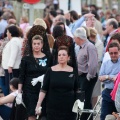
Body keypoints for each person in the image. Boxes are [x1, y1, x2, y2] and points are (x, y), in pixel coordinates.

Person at [35, 46, 79, 120]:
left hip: (69, 107)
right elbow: (44, 89)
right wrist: (38, 104)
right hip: (52, 106)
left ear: (68, 57)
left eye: (64, 55)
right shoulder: (50, 70)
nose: (61, 57)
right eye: (59, 55)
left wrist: (79, 103)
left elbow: (77, 89)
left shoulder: (73, 71)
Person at [18, 35, 51, 120]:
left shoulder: (48, 58)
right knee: (31, 114)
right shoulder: (26, 59)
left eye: (38, 44)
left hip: (44, 90)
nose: (36, 45)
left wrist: (44, 77)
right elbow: (21, 76)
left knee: (43, 115)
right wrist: (19, 92)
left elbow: (51, 72)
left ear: (42, 45)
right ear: (31, 45)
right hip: (29, 90)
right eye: (34, 44)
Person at [74, 27, 98, 120]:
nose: (74, 39)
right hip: (82, 77)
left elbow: (93, 64)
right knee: (84, 100)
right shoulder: (81, 47)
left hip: (87, 77)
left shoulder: (89, 47)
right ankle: (88, 118)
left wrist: (88, 78)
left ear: (79, 38)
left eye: (75, 37)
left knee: (85, 100)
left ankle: (86, 118)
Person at [99, 42, 120, 120]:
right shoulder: (105, 63)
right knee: (104, 116)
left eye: (115, 53)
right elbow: (101, 77)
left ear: (119, 52)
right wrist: (112, 77)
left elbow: (118, 78)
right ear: (108, 53)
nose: (113, 55)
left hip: (118, 94)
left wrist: (107, 77)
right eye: (111, 53)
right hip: (108, 93)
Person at [2, 25, 23, 95]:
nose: (6, 33)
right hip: (12, 67)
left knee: (12, 86)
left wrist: (10, 65)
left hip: (13, 68)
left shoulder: (14, 41)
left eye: (8, 32)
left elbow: (13, 54)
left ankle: (11, 102)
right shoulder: (14, 40)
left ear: (11, 33)